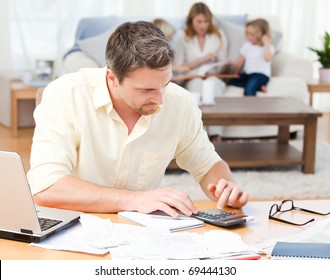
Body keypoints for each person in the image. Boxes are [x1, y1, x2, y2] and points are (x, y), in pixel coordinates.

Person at [27, 21, 248, 218]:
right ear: (112, 77)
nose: (160, 99)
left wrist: (226, 188)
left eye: (165, 84)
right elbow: (46, 188)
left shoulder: (180, 102)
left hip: (145, 232)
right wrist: (133, 200)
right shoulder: (66, 95)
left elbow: (207, 164)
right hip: (76, 226)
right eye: (146, 90)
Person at [173, 2, 228, 143]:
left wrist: (226, 64)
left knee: (213, 84)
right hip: (192, 77)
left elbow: (221, 67)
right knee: (197, 85)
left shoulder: (218, 35)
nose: (203, 25)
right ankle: (200, 135)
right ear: (191, 21)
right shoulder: (182, 36)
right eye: (199, 21)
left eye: (206, 21)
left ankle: (216, 135)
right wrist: (204, 58)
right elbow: (179, 67)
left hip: (213, 76)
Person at [228, 18, 274, 96]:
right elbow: (240, 62)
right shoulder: (247, 45)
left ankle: (250, 106)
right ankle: (259, 87)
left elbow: (268, 58)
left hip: (260, 75)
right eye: (248, 34)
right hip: (247, 74)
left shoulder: (268, 47)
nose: (249, 37)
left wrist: (266, 42)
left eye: (252, 35)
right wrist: (233, 74)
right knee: (231, 81)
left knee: (249, 89)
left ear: (262, 35)